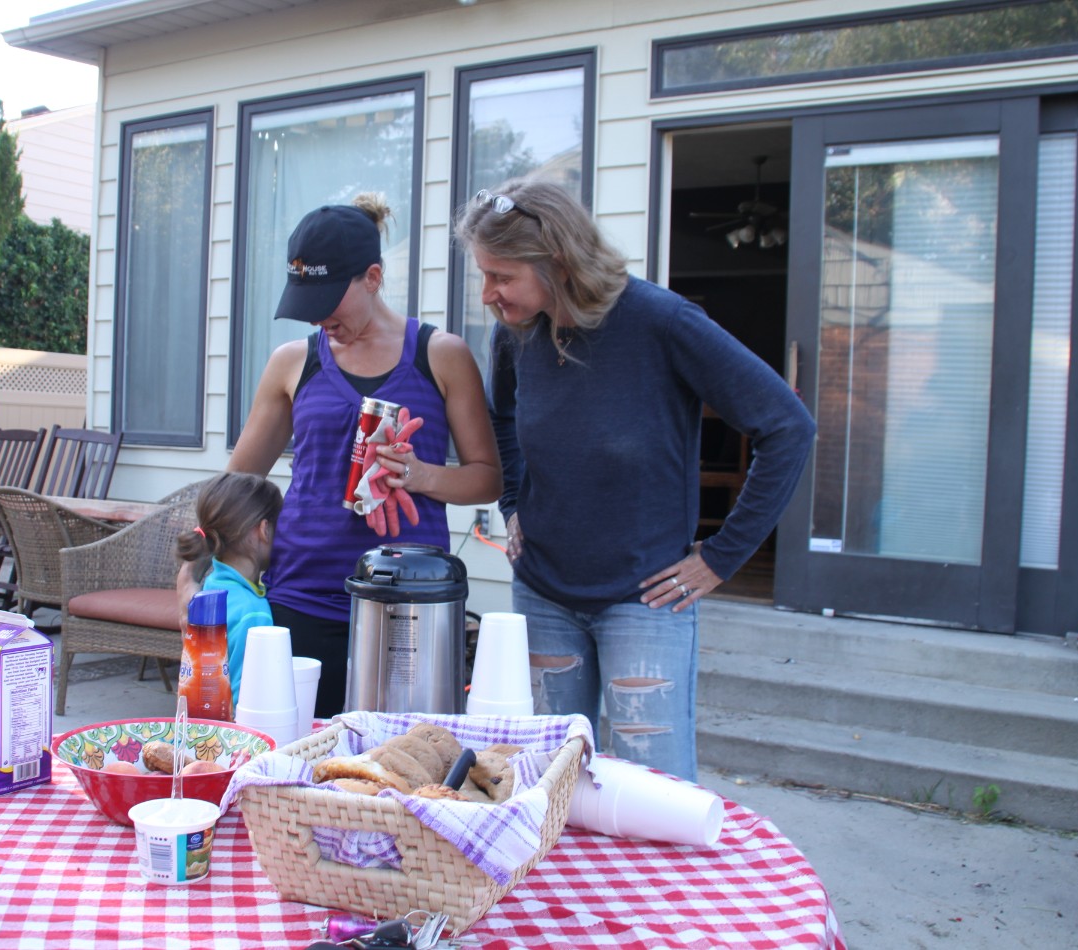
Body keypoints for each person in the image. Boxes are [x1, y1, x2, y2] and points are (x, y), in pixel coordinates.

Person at [455, 177, 816, 781]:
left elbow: (788, 426)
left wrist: (722, 556)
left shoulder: (662, 321)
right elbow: (504, 417)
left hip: (645, 600)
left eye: (501, 276)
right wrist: (513, 503)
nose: (488, 293)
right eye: (483, 275)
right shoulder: (516, 332)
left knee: (654, 790)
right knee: (548, 783)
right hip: (543, 592)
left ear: (558, 262)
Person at [230, 193, 502, 718]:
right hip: (301, 594)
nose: (318, 318)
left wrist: (420, 475)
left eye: (329, 299)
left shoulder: (440, 355)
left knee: (402, 755)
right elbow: (238, 482)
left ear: (373, 278)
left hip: (411, 601)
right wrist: (202, 565)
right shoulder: (292, 362)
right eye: (306, 302)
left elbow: (487, 478)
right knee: (298, 748)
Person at [174, 471, 284, 708]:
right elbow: (248, 699)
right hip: (232, 728)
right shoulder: (253, 612)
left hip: (199, 722)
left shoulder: (209, 588)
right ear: (264, 529)